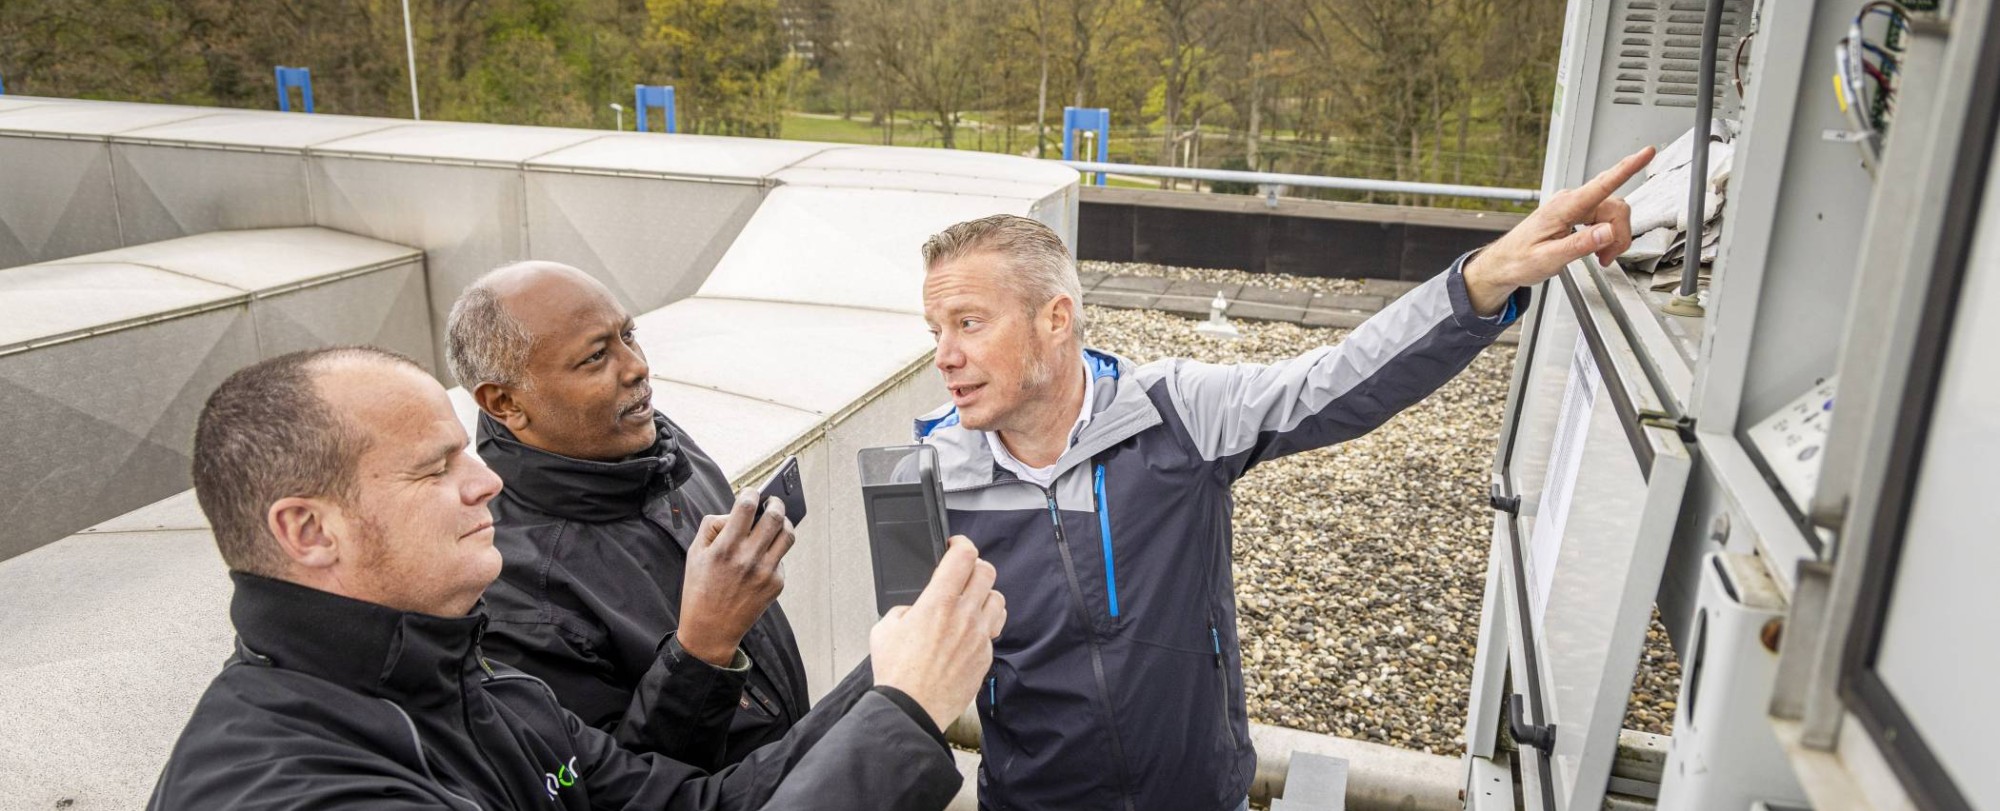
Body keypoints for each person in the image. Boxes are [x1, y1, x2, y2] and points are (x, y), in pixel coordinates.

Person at [911, 148, 1654, 811]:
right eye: (934, 330)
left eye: (968, 323)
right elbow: (912, 684)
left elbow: (1338, 381)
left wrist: (1484, 278)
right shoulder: (932, 477)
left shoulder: (1175, 414)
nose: (944, 354)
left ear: (1056, 319)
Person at [150, 346, 1005, 810]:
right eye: (434, 468)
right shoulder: (288, 783)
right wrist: (902, 716)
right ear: (309, 530)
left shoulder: (480, 683)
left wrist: (898, 668)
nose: (485, 482)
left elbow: (706, 801)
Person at [445, 262, 812, 769]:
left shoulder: (658, 442)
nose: (637, 366)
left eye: (629, 335)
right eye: (596, 356)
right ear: (505, 401)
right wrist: (704, 647)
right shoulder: (516, 591)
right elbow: (618, 788)